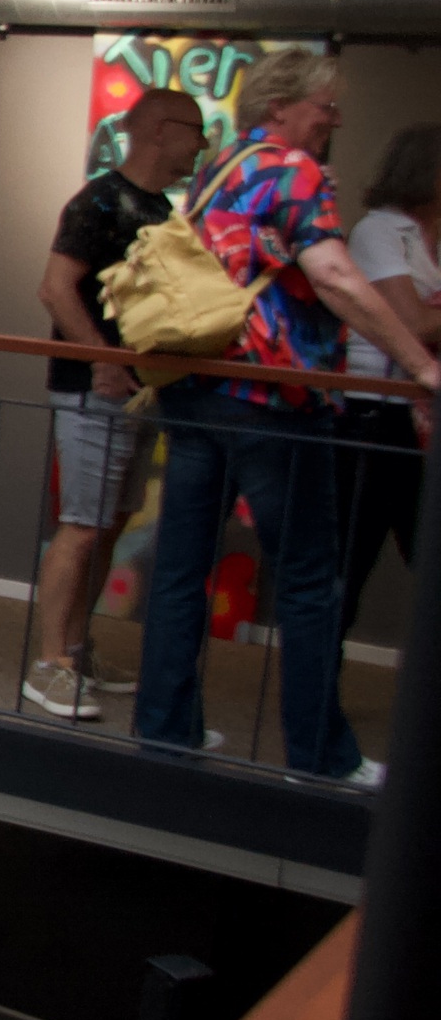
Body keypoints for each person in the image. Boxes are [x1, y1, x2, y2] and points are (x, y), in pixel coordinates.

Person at [136, 51, 440, 783]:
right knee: (308, 581)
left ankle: (166, 732)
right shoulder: (294, 170)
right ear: (280, 106)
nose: (334, 119)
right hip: (275, 398)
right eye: (324, 106)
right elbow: (333, 275)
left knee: (180, 569)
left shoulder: (220, 167)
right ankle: (320, 757)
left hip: (196, 387)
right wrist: (421, 365)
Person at [27, 88, 209, 720]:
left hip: (135, 391)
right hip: (92, 390)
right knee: (82, 525)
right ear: (160, 130)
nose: (201, 145)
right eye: (195, 131)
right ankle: (50, 664)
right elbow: (55, 288)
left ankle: (75, 650)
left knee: (106, 525)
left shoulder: (159, 208)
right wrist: (101, 359)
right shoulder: (99, 201)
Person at [333, 124, 441, 637]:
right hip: (372, 412)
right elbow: (412, 323)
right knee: (349, 562)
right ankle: (317, 681)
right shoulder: (379, 232)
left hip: (422, 416)